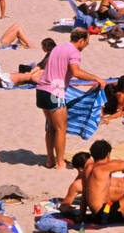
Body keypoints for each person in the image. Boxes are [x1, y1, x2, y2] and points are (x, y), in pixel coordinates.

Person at [36, 29, 104, 169]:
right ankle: (60, 162)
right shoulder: (74, 52)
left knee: (51, 127)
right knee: (61, 128)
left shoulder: (58, 48)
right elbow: (76, 72)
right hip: (54, 91)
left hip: (41, 89)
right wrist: (96, 77)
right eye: (87, 42)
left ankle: (50, 160)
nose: (86, 45)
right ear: (81, 40)